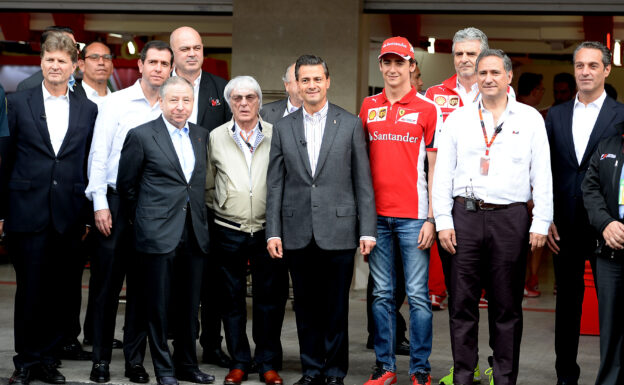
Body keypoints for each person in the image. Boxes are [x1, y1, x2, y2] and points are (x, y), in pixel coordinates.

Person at [433, 48, 552, 385]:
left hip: (510, 219)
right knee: (462, 305)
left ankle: (504, 377)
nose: (487, 79)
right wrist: (442, 220)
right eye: (482, 73)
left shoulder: (529, 119)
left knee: (507, 306)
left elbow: (541, 174)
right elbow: (443, 174)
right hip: (464, 218)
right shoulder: (457, 119)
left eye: (495, 73)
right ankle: (464, 376)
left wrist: (541, 221)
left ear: (509, 77)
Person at [266, 54, 377, 385]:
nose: (311, 85)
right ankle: (312, 369)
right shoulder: (283, 127)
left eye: (317, 79)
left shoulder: (350, 123)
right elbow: (275, 183)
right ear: (296, 84)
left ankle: (335, 372)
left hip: (340, 230)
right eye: (305, 80)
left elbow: (363, 181)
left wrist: (367, 229)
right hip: (296, 230)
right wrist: (273, 231)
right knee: (305, 307)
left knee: (335, 307)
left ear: (327, 81)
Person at [1, 32, 98, 385]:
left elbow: (91, 162)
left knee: (59, 293)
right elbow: (5, 158)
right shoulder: (17, 102)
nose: (55, 65)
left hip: (70, 214)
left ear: (75, 66)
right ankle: (26, 362)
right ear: (40, 62)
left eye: (62, 60)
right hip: (26, 210)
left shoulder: (88, 108)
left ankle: (47, 361)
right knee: (29, 291)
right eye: (49, 59)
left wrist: (88, 213)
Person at [85, 40, 173, 383]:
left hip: (151, 208)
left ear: (170, 69)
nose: (158, 69)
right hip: (115, 203)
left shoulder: (171, 106)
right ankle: (101, 361)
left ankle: (134, 362)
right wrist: (100, 204)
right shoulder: (117, 102)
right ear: (140, 65)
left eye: (164, 64)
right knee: (106, 289)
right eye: (153, 62)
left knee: (141, 289)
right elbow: (99, 154)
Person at [117, 76, 213, 385]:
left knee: (188, 307)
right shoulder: (142, 136)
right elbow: (127, 187)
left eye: (186, 100)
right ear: (161, 102)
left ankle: (187, 363)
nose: (180, 106)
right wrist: (146, 221)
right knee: (156, 306)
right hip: (157, 234)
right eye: (174, 100)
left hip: (194, 233)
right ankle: (164, 368)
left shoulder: (201, 136)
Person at [359, 36, 441, 385]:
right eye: (387, 62)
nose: (393, 69)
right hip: (375, 217)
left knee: (419, 297)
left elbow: (435, 168)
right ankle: (386, 367)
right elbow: (359, 165)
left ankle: (420, 370)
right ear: (380, 65)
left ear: (412, 66)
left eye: (400, 62)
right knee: (381, 295)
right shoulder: (367, 106)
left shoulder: (427, 108)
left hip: (414, 217)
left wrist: (433, 218)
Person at [546, 41, 624, 385]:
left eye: (593, 65)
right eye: (580, 65)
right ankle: (566, 375)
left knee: (613, 309)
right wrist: (544, 216)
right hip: (563, 225)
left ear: (607, 70)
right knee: (567, 307)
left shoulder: (621, 116)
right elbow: (542, 169)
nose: (586, 72)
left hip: (607, 227)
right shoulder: (556, 115)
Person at [206, 76, 289, 385]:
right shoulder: (216, 136)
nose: (243, 103)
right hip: (228, 230)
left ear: (258, 102)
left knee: (269, 300)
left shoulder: (275, 134)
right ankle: (240, 360)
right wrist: (226, 206)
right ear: (230, 102)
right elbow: (208, 185)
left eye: (250, 97)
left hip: (269, 231)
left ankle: (267, 362)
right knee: (231, 299)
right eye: (237, 98)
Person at [169, 25, 232, 367]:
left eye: (197, 47)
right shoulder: (162, 89)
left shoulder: (221, 91)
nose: (192, 53)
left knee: (210, 281)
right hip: (168, 203)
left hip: (207, 204)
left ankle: (211, 344)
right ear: (173, 54)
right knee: (174, 280)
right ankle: (177, 346)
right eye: (185, 48)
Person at [582, 122, 624, 385]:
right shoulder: (608, 146)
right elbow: (590, 188)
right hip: (611, 251)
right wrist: (605, 223)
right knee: (611, 329)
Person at [17, 26, 78, 92]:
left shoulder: (78, 88)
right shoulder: (28, 87)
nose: (77, 51)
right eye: (69, 45)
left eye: (76, 46)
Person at [76, 41, 114, 107]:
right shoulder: (69, 98)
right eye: (94, 57)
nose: (101, 62)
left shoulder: (121, 102)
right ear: (82, 65)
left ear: (112, 67)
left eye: (107, 57)